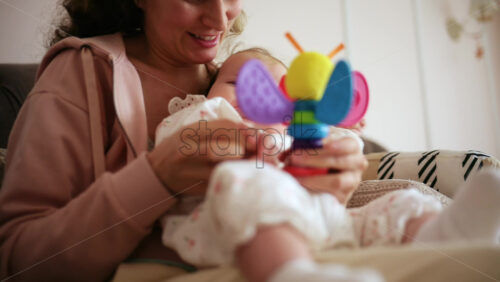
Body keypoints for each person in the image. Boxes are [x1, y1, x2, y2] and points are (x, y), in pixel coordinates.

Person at [0, 1, 368, 281]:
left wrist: (330, 178)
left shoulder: (238, 79)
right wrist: (156, 176)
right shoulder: (80, 77)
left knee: (411, 201)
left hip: (294, 252)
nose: (220, 18)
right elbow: (20, 261)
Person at [155, 48, 500, 282]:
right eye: (238, 85)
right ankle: (291, 272)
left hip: (319, 219)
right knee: (254, 185)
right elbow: (182, 148)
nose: (257, 100)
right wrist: (241, 142)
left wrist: (335, 138)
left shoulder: (291, 131)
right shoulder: (203, 114)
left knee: (398, 204)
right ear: (208, 90)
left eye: (278, 95)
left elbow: (337, 164)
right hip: (231, 220)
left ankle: (443, 236)